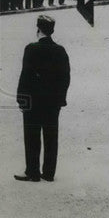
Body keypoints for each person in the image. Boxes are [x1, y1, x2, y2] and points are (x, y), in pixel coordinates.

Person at [15, 14, 70, 181]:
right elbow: (65, 78)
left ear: (38, 30)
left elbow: (25, 76)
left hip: (33, 100)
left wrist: (21, 98)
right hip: (52, 102)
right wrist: (60, 99)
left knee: (32, 136)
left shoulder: (31, 48)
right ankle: (49, 173)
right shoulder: (60, 50)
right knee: (51, 136)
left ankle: (32, 172)